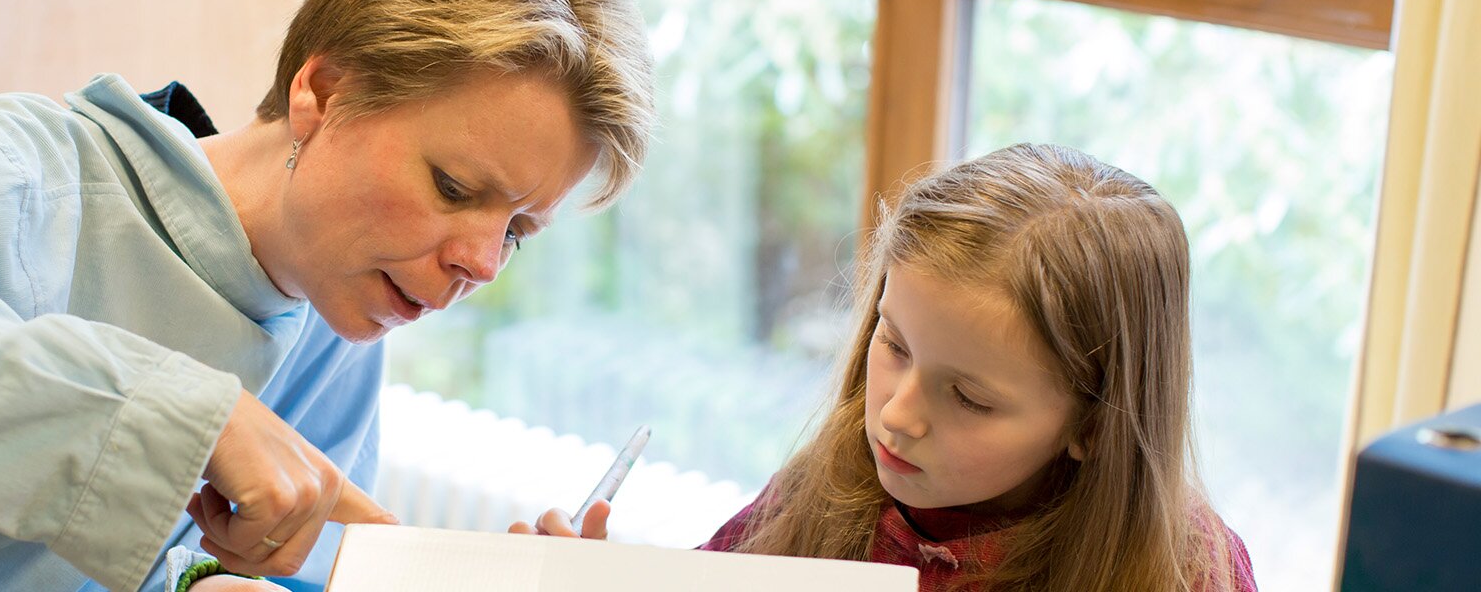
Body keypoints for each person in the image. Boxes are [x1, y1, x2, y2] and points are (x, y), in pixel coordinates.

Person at [0, 0, 655, 590]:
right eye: (454, 188)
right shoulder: (31, 173)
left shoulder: (345, 329)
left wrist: (443, 577)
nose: (479, 262)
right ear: (324, 92)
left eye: (516, 229)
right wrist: (172, 417)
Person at [514, 144, 1257, 591]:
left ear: (1093, 425)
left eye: (968, 396)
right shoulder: (828, 487)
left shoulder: (1186, 570)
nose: (897, 414)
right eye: (893, 344)